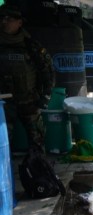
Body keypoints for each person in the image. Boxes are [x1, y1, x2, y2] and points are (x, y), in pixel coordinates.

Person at [0, 4, 54, 151]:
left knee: (37, 140)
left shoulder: (31, 46)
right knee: (3, 144)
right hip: (3, 103)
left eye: (9, 18)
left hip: (29, 100)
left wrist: (46, 96)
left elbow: (47, 72)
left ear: (19, 22)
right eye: (2, 18)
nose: (4, 22)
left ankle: (38, 169)